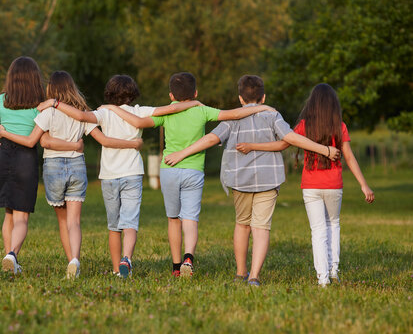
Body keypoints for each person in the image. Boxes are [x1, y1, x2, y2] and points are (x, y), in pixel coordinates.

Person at [164, 75, 340, 286]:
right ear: (263, 97)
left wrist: (182, 153)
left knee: (242, 225)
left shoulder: (232, 118)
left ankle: (241, 272)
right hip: (268, 180)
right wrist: (324, 149)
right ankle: (254, 276)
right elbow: (291, 138)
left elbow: (212, 138)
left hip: (240, 181)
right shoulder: (273, 115)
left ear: (240, 99)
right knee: (261, 228)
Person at [99, 72, 273, 278]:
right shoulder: (202, 110)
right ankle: (188, 257)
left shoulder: (167, 112)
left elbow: (137, 122)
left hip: (169, 170)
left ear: (171, 96)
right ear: (196, 93)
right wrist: (261, 107)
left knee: (174, 219)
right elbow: (234, 114)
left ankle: (175, 266)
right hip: (194, 170)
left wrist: (111, 108)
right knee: (190, 218)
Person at [36, 74, 200, 278]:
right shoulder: (140, 111)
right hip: (133, 173)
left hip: (109, 176)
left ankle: (116, 270)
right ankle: (127, 258)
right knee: (130, 223)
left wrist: (54, 103)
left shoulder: (103, 113)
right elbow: (172, 108)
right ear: (132, 94)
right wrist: (195, 103)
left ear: (109, 93)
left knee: (114, 226)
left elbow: (79, 116)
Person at [0, 71, 141, 279]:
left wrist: (4, 133)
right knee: (74, 221)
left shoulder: (47, 113)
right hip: (77, 167)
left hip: (54, 168)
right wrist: (132, 144)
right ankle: (74, 260)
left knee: (63, 221)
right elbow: (103, 139)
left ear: (52, 90)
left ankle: (70, 262)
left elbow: (41, 142)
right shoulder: (81, 112)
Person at [236, 83, 374, 286]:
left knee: (317, 230)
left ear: (312, 103)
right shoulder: (340, 126)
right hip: (334, 185)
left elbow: (282, 144)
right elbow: (350, 158)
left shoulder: (303, 126)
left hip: (311, 185)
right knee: (333, 225)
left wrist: (252, 146)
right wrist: (364, 185)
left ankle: (323, 279)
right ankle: (334, 270)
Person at [0, 56, 80, 274]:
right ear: (35, 78)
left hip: (2, 156)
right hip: (25, 158)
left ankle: (11, 259)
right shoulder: (41, 105)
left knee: (8, 213)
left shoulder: (1, 100)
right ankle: (12, 255)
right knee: (21, 216)